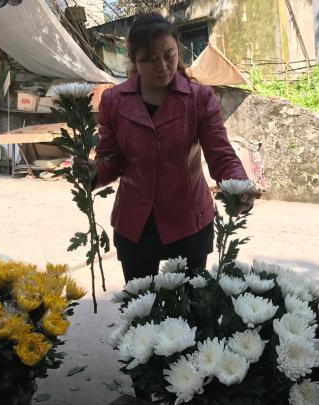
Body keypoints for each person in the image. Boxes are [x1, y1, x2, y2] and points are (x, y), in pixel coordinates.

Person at [76, 13, 260, 284]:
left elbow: (220, 154)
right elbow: (111, 159)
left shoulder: (199, 98)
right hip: (135, 224)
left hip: (189, 221)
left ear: (178, 51)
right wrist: (95, 170)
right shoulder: (114, 101)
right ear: (135, 61)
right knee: (140, 313)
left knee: (189, 315)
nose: (162, 66)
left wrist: (239, 187)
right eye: (150, 60)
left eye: (169, 55)